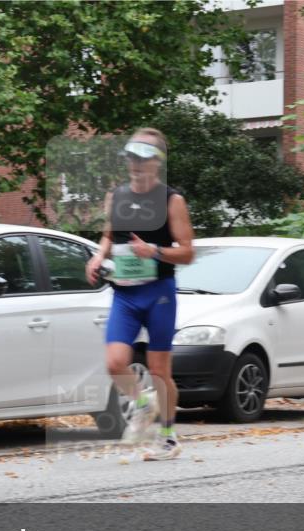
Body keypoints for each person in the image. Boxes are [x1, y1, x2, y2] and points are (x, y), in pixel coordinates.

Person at [86, 128, 195, 461]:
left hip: (159, 293)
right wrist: (98, 256)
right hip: (126, 294)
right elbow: (108, 236)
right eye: (131, 157)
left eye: (143, 158)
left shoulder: (171, 200)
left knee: (160, 371)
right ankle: (144, 403)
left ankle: (167, 437)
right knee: (115, 363)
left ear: (157, 164)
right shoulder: (116, 196)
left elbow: (188, 252)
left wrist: (156, 252)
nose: (135, 164)